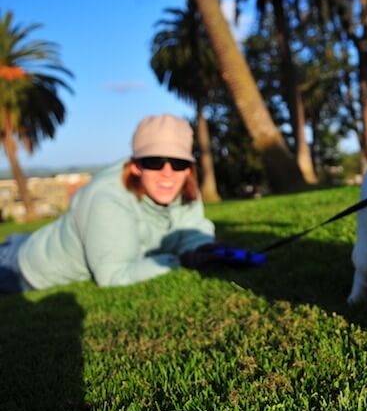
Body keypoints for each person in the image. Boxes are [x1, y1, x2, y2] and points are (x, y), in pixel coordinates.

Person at [0, 114, 217, 294]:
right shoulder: (106, 196)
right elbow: (114, 275)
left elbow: (192, 228)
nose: (167, 173)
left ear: (189, 168)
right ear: (135, 166)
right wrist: (177, 260)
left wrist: (202, 248)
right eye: (154, 162)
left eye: (178, 163)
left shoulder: (182, 187)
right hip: (23, 268)